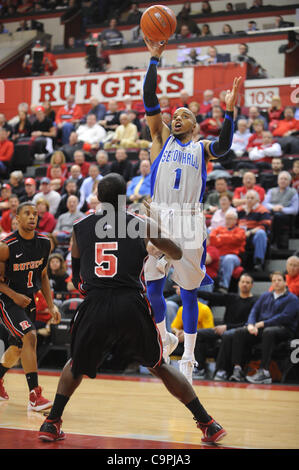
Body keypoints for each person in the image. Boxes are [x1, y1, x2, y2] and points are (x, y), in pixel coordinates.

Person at [38, 173, 226, 444]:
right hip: (130, 302)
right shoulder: (141, 223)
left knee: (76, 364)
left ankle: (52, 421)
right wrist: (157, 240)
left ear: (99, 197)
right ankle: (207, 423)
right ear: (125, 196)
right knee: (159, 364)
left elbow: (77, 276)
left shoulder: (79, 226)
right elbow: (176, 252)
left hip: (96, 302)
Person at [142, 37, 242, 383]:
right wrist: (154, 59)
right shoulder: (160, 139)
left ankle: (188, 354)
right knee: (151, 282)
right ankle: (163, 337)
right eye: (176, 115)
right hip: (159, 215)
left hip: (188, 219)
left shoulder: (201, 148)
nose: (178, 118)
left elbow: (226, 145)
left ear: (196, 125)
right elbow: (151, 99)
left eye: (186, 116)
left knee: (188, 290)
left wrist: (229, 111)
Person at [0, 202, 61, 408]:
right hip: (7, 299)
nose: (32, 217)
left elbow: (43, 275)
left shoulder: (45, 243)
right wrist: (14, 295)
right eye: (27, 213)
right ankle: (34, 396)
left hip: (28, 300)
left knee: (17, 348)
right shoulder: (6, 247)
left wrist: (51, 306)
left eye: (35, 214)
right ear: (17, 218)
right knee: (30, 336)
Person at [229, 271, 299, 384]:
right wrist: (251, 325)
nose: (276, 282)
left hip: (284, 329)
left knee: (268, 331)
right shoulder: (266, 295)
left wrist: (263, 323)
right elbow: (254, 311)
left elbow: (284, 317)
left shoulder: (293, 299)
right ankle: (237, 369)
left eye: (279, 280)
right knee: (240, 332)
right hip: (263, 328)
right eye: (274, 280)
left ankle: (264, 371)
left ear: (285, 282)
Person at [194, 273, 258, 379]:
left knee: (227, 335)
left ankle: (221, 371)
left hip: (240, 332)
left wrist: (227, 327)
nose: (244, 284)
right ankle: (200, 368)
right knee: (199, 334)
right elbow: (213, 296)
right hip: (223, 329)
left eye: (247, 282)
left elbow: (249, 323)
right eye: (242, 282)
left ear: (252, 285)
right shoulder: (232, 297)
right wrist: (192, 292)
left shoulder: (254, 302)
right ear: (238, 284)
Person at [209, 211, 246, 293]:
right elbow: (212, 239)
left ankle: (224, 286)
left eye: (230, 219)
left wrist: (220, 238)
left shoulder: (240, 231)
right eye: (227, 219)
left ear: (235, 220)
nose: (228, 221)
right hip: (219, 256)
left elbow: (237, 239)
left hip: (233, 256)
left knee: (228, 259)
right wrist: (229, 238)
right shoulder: (218, 229)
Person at [237, 190, 272, 271]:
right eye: (247, 198)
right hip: (240, 233)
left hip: (254, 234)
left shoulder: (263, 210)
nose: (249, 200)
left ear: (257, 200)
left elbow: (265, 226)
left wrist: (250, 232)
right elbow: (233, 223)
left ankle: (258, 262)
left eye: (252, 198)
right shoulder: (240, 210)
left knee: (261, 233)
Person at [263, 171, 299, 249]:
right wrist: (273, 207)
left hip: (285, 216)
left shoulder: (293, 192)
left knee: (278, 216)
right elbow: (264, 204)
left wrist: (282, 209)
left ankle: (273, 241)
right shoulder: (271, 191)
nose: (283, 180)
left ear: (289, 182)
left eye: (285, 179)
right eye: (281, 179)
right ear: (278, 181)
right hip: (271, 212)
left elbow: (295, 210)